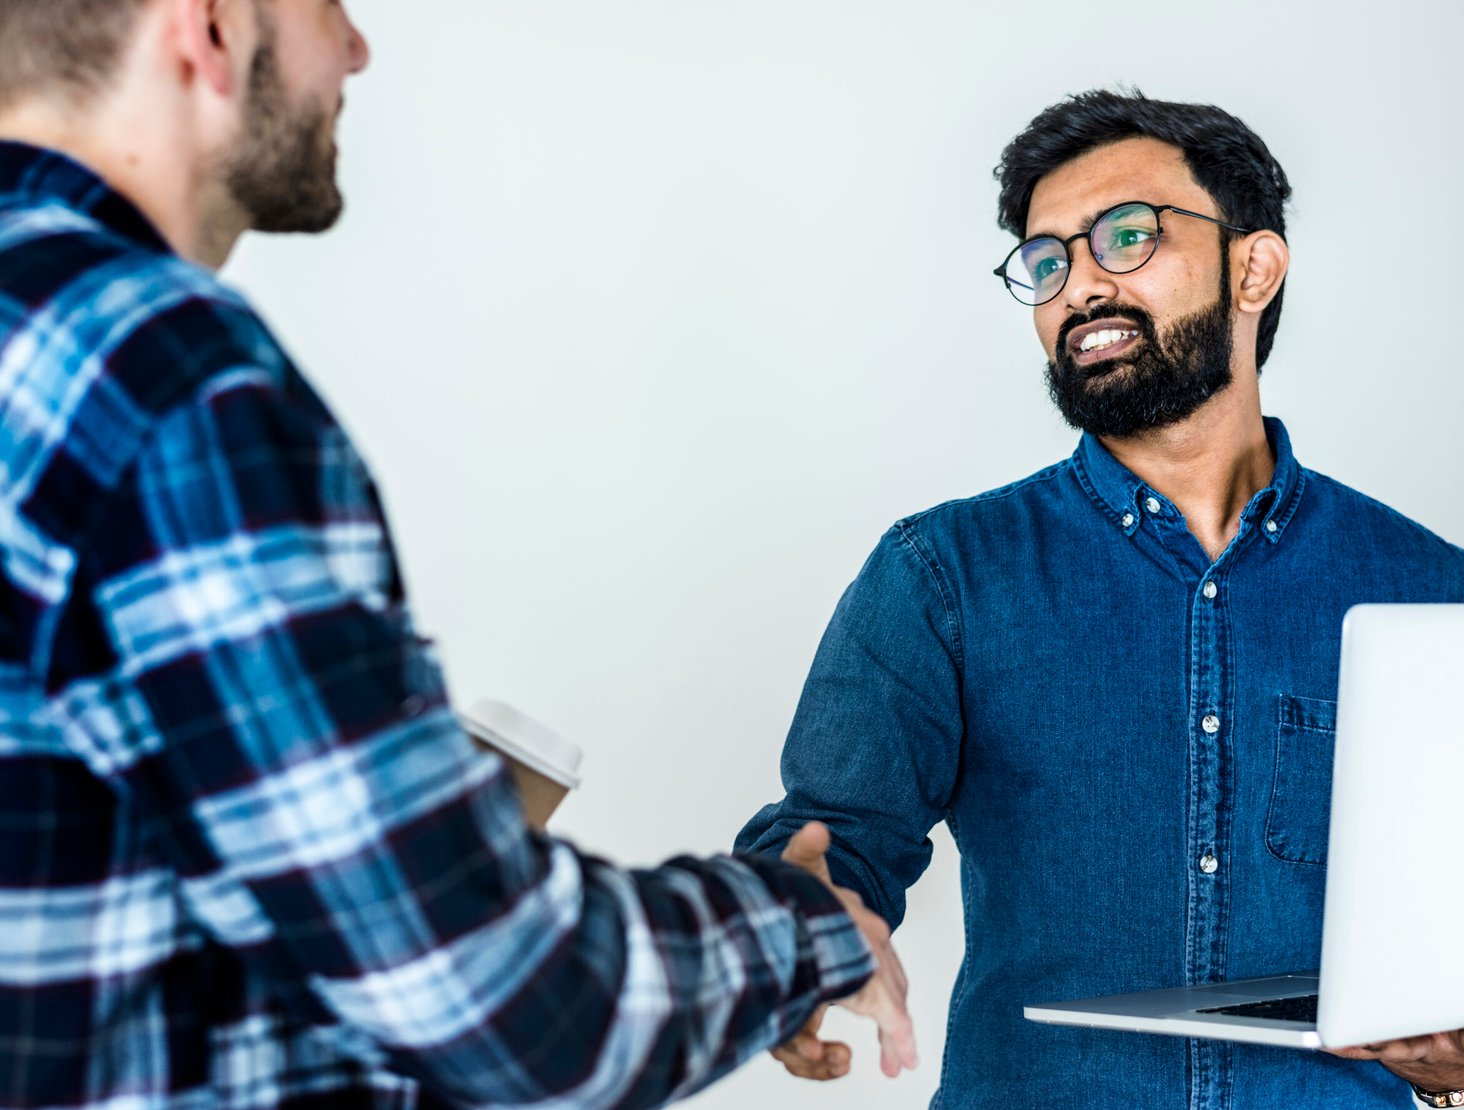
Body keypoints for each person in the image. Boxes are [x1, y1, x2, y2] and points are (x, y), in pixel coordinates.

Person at [0, 1, 916, 1107]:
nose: (355, 48)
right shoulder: (165, 378)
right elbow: (507, 1002)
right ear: (211, 26)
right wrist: (810, 928)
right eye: (326, 9)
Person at [736, 89, 1464, 1108]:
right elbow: (835, 835)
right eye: (1047, 261)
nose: (1078, 284)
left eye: (1125, 237)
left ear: (1253, 267)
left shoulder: (1434, 592)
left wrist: (1463, 1062)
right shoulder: (941, 573)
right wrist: (797, 926)